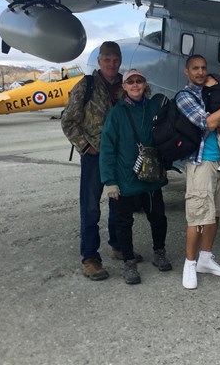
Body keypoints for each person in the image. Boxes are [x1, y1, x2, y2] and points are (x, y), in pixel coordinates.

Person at [62, 41, 141, 281]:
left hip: (120, 157)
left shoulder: (124, 86)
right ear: (99, 61)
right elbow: (68, 120)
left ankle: (117, 245)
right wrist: (86, 146)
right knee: (90, 207)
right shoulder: (85, 86)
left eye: (116, 59)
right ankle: (90, 258)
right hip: (94, 157)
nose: (111, 64)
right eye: (107, 59)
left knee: (120, 205)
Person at [99, 69, 172, 285]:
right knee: (124, 222)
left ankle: (159, 252)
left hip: (151, 176)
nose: (135, 85)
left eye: (139, 81)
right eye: (130, 82)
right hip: (126, 178)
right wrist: (109, 181)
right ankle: (129, 261)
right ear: (124, 86)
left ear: (144, 84)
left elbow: (166, 134)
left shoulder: (154, 108)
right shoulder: (117, 113)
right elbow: (107, 147)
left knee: (158, 217)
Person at [178, 55, 220, 290]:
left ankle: (205, 258)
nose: (200, 72)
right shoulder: (185, 96)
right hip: (200, 162)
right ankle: (189, 263)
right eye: (195, 68)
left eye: (203, 68)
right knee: (198, 215)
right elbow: (209, 123)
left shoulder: (211, 91)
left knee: (215, 214)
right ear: (187, 72)